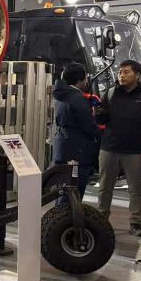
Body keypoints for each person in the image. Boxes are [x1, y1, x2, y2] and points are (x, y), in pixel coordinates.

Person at [95, 60, 141, 237]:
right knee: (104, 187)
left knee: (136, 189)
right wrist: (98, 113)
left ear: (137, 75)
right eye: (120, 72)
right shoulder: (110, 93)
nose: (121, 75)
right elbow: (101, 121)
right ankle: (102, 219)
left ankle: (135, 222)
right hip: (109, 147)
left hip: (135, 151)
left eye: (126, 72)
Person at [52, 63, 100, 200]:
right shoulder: (77, 98)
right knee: (73, 195)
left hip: (63, 148)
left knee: (62, 192)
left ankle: (59, 214)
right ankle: (66, 215)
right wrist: (99, 136)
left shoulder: (61, 95)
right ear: (81, 80)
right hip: (77, 152)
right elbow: (88, 127)